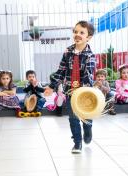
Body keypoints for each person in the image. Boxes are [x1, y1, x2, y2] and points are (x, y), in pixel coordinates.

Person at [44, 21, 96, 153]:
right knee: (73, 117)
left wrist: (82, 90)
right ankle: (77, 142)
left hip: (84, 92)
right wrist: (52, 86)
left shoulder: (90, 56)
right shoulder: (68, 52)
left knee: (85, 116)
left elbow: (88, 75)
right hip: (70, 91)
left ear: (88, 37)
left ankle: (88, 128)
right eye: (75, 31)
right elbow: (61, 71)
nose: (77, 34)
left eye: (81, 32)